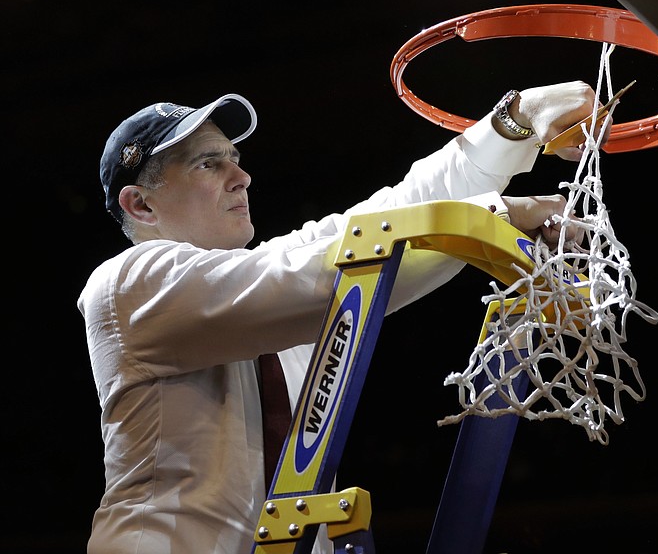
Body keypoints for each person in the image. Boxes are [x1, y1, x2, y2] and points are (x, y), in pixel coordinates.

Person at [78, 81, 599, 554]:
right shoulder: (127, 283)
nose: (242, 175)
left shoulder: (260, 278)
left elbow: (388, 217)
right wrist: (500, 213)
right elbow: (336, 271)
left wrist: (515, 120)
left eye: (234, 158)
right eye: (208, 164)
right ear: (141, 205)